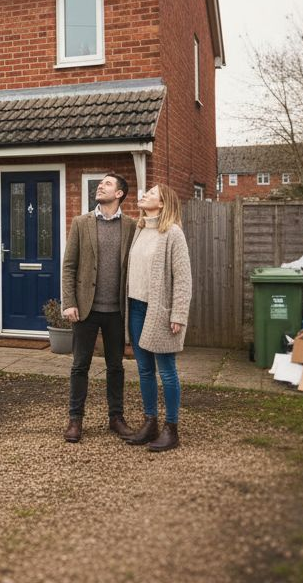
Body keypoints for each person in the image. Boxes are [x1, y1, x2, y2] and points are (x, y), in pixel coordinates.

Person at [60, 173, 137, 443]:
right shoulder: (81, 223)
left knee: (116, 366)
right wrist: (69, 302)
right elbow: (69, 266)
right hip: (86, 309)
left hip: (117, 310)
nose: (100, 186)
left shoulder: (131, 226)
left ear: (119, 194)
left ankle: (116, 418)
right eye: (100, 183)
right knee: (80, 365)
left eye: (107, 184)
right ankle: (75, 419)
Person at [124, 184, 193, 452]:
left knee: (166, 370)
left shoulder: (173, 233)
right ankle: (150, 423)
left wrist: (178, 314)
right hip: (136, 307)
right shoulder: (140, 229)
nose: (144, 195)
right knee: (144, 369)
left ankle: (171, 429)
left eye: (151, 194)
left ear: (163, 204)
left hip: (159, 311)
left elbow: (183, 279)